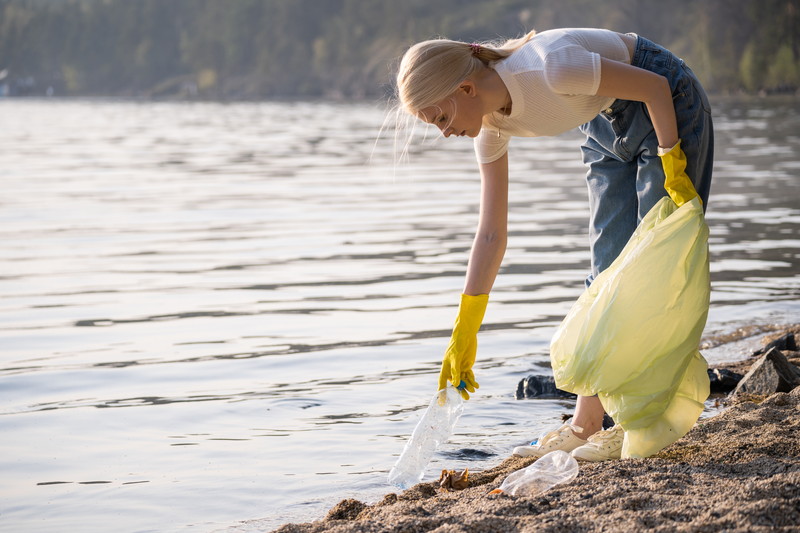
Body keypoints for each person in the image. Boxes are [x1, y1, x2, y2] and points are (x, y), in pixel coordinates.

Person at [394, 28, 713, 462]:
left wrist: (671, 156)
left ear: (466, 88)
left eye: (441, 120)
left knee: (653, 265)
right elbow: (491, 233)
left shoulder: (553, 67)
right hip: (602, 120)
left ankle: (639, 419)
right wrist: (465, 328)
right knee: (606, 270)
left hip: (664, 100)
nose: (445, 133)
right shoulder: (490, 129)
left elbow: (654, 87)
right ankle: (585, 424)